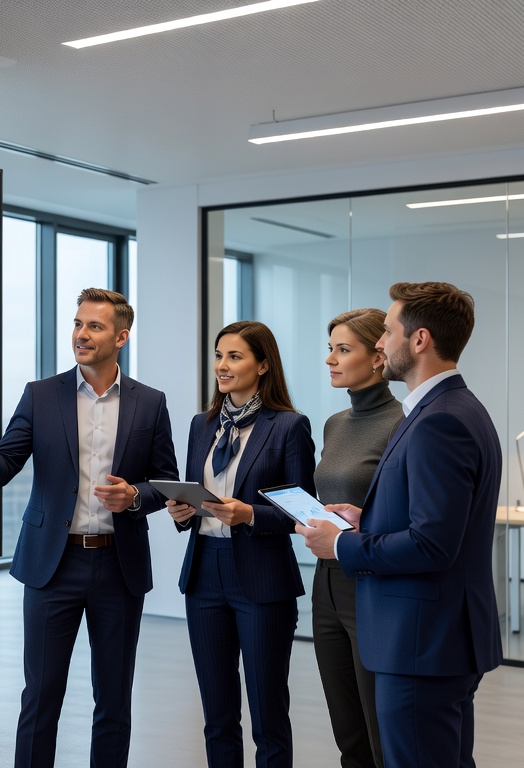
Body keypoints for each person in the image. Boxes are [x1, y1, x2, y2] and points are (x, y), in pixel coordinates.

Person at [0, 287, 178, 768]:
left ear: (121, 337)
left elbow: (165, 481)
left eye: (95, 326)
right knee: (41, 696)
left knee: (114, 700)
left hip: (119, 566)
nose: (81, 334)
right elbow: (2, 469)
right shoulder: (41, 395)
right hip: (52, 565)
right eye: (78, 323)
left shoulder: (150, 403)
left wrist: (135, 496)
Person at [296, 282, 502, 768]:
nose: (381, 343)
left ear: (419, 339)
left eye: (387, 331)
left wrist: (343, 546)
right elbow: (432, 520)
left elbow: (432, 544)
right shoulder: (453, 408)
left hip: (420, 640)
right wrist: (365, 519)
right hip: (435, 639)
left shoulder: (438, 421)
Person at [166, 320, 315, 768]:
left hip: (262, 577)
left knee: (268, 716)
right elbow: (193, 492)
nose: (222, 366)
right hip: (204, 575)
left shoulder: (288, 426)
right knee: (217, 716)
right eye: (219, 356)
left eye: (235, 356)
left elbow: (305, 511)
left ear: (263, 365)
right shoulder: (202, 425)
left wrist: (251, 514)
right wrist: (182, 512)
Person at [312, 308, 403, 768]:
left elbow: (405, 516)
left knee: (379, 730)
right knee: (347, 731)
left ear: (378, 356)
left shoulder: (402, 423)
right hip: (325, 582)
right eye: (330, 349)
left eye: (343, 350)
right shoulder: (334, 423)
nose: (331, 359)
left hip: (371, 583)